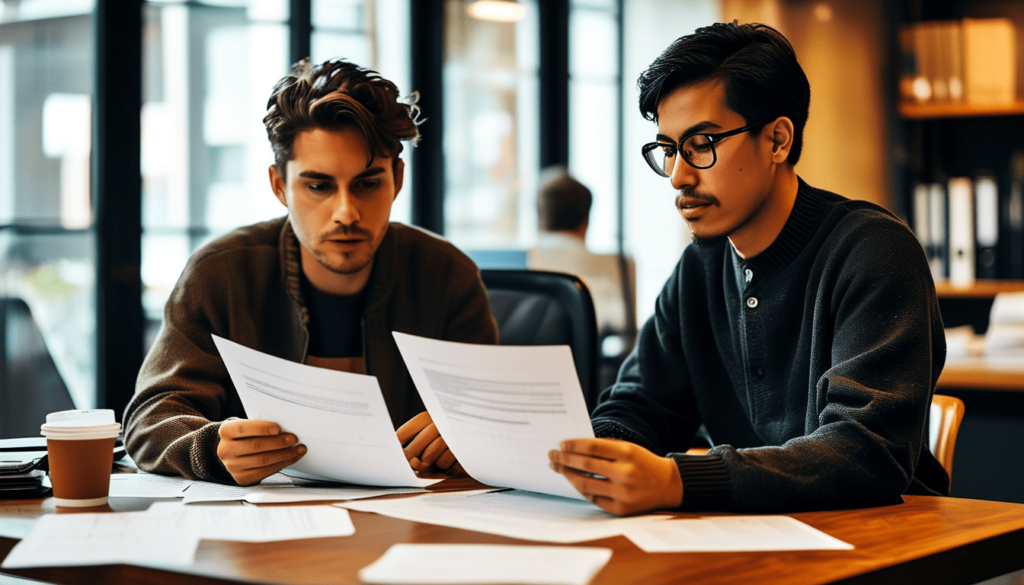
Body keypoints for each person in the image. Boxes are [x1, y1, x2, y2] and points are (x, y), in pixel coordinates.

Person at [548, 21, 949, 515]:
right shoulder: (701, 265)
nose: (678, 175)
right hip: (753, 537)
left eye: (702, 144)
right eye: (669, 149)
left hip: (884, 540)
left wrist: (679, 480)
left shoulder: (872, 251)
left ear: (777, 140)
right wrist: (569, 455)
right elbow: (639, 405)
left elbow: (865, 452)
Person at [124, 59, 497, 486]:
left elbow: (492, 418)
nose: (346, 213)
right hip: (264, 531)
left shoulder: (448, 276)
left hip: (418, 522)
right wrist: (212, 448)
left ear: (397, 179)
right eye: (318, 186)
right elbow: (152, 417)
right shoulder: (222, 274)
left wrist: (469, 433)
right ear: (279, 185)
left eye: (367, 183)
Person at [528, 167, 636, 359]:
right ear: (585, 220)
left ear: (539, 218)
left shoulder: (520, 263)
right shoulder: (616, 268)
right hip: (585, 381)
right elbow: (626, 335)